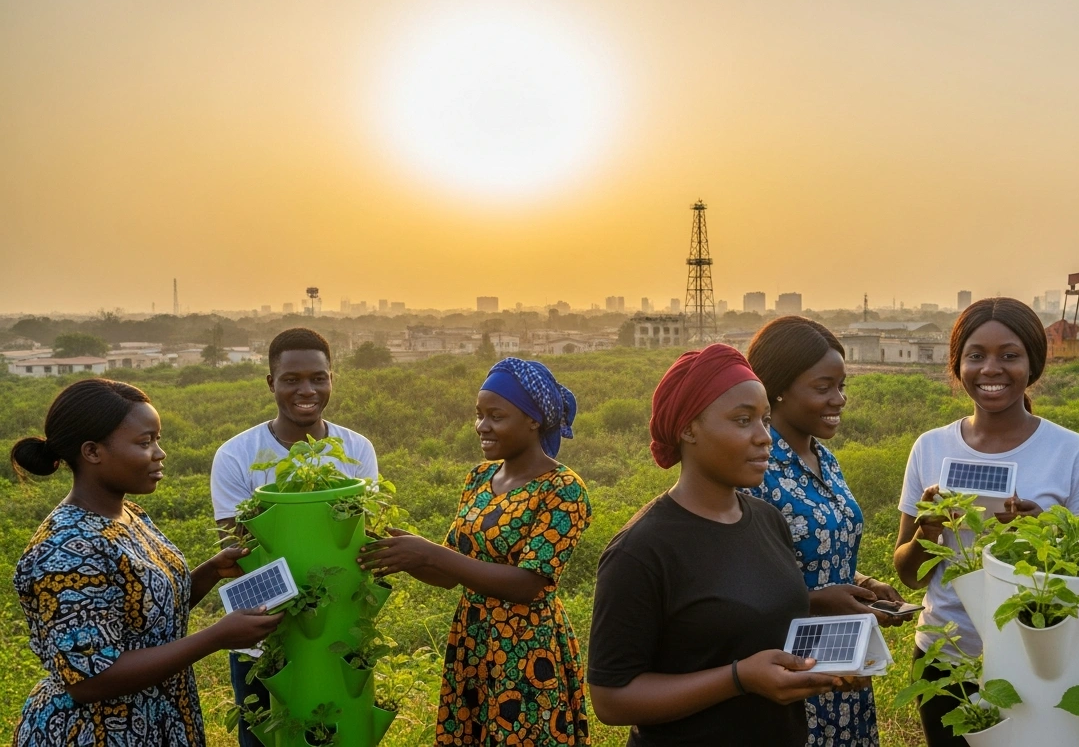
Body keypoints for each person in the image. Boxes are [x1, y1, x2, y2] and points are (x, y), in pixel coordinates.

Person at [588, 344, 846, 746]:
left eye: (764, 420)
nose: (764, 439)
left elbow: (763, 627)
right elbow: (611, 698)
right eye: (743, 420)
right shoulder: (641, 551)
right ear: (688, 428)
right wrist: (739, 679)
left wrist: (830, 664)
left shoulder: (767, 520)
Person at [10, 379, 282, 746]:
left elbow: (143, 618)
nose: (160, 453)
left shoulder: (128, 516)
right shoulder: (64, 552)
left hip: (156, 721)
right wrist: (216, 637)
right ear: (92, 452)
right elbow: (91, 680)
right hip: (96, 732)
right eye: (144, 442)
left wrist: (211, 572)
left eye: (157, 439)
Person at [891, 298, 1079, 747]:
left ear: (1033, 364)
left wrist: (1044, 534)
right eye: (976, 356)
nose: (991, 369)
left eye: (1009, 356)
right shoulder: (929, 448)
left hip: (1041, 658)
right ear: (958, 364)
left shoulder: (1070, 452)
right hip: (946, 657)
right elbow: (909, 575)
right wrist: (928, 531)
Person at [357, 358, 591, 745]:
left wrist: (429, 553)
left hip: (526, 647)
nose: (482, 426)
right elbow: (450, 573)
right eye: (479, 415)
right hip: (473, 640)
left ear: (533, 420)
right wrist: (398, 549)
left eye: (496, 416)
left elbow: (528, 584)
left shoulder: (563, 489)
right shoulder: (481, 478)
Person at [742, 315, 908, 747]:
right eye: (823, 388)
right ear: (777, 388)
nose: (839, 399)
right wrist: (819, 601)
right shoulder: (756, 470)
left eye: (842, 386)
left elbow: (813, 554)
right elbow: (740, 587)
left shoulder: (824, 458)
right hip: (790, 671)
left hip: (841, 662)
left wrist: (863, 584)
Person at [210, 327, 378, 747]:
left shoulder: (356, 450)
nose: (307, 390)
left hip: (339, 634)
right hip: (264, 640)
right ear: (271, 383)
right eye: (292, 379)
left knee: (345, 734)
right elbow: (241, 549)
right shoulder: (236, 455)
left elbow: (363, 537)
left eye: (318, 378)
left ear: (331, 378)